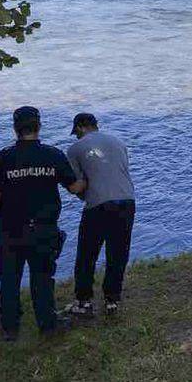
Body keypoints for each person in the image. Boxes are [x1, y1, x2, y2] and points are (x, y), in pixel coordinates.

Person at [0, 106, 85, 340]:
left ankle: (10, 328)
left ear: (15, 129)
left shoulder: (3, 157)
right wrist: (92, 175)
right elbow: (75, 188)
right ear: (39, 126)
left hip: (9, 230)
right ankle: (47, 324)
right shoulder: (53, 155)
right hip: (44, 228)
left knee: (9, 280)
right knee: (43, 278)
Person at [64, 113, 136, 317]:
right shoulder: (119, 142)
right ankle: (112, 299)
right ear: (96, 126)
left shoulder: (75, 149)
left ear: (79, 128)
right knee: (118, 253)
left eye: (76, 133)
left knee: (87, 254)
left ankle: (84, 300)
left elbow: (79, 185)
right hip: (127, 201)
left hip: (99, 205)